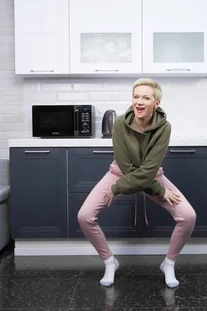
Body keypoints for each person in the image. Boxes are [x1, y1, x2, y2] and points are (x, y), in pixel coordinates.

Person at [77, 78, 197, 288]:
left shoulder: (164, 128)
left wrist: (123, 189)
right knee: (85, 216)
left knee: (188, 216)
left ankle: (168, 263)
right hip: (120, 174)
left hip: (151, 177)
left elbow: (149, 169)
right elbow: (125, 166)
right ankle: (109, 261)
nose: (139, 102)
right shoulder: (120, 123)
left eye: (145, 98)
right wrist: (124, 185)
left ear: (156, 103)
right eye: (136, 97)